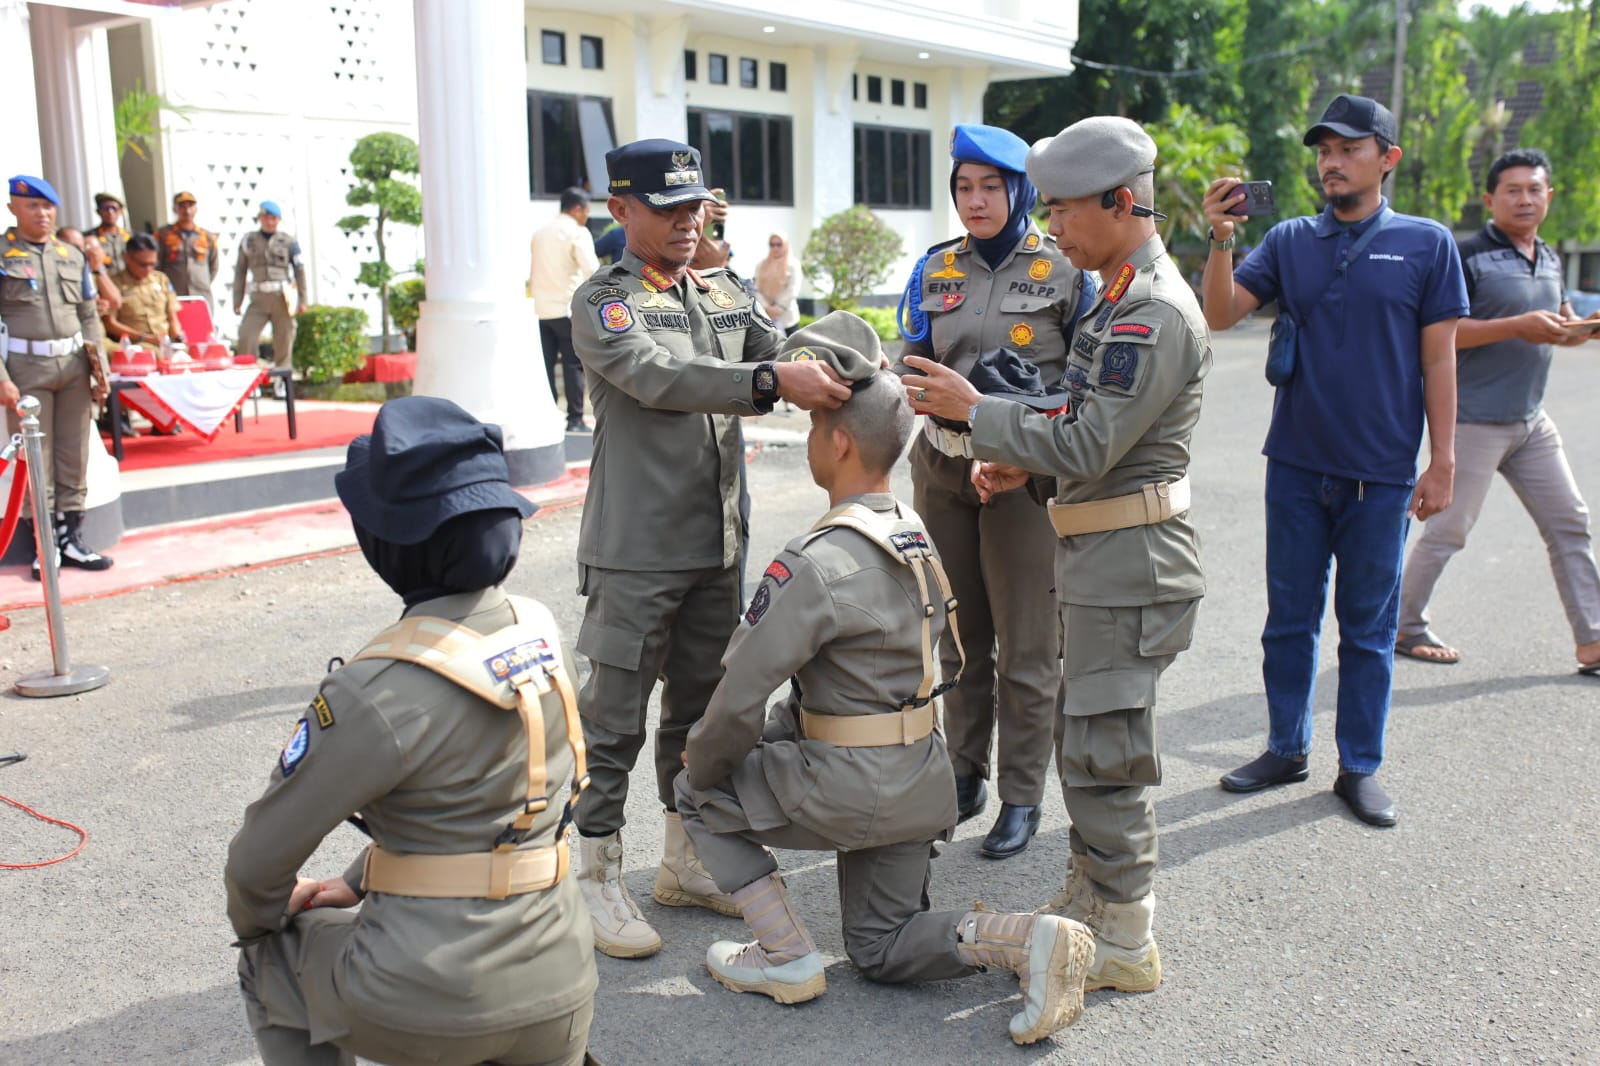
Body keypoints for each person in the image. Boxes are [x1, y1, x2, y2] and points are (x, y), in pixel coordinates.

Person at [675, 312, 1095, 1045]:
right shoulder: (913, 530)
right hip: (919, 779)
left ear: (836, 443)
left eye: (814, 430)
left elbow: (739, 697)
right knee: (882, 945)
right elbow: (954, 662)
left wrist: (709, 761)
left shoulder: (814, 559)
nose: (812, 440)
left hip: (845, 783)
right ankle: (1029, 939)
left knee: (696, 788)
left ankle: (784, 953)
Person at [903, 115, 1211, 996]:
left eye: (1068, 209)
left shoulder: (1150, 310)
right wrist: (1017, 465)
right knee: (1091, 746)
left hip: (1129, 560)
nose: (1056, 226)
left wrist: (976, 412)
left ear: (1122, 203)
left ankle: (1122, 933)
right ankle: (1096, 892)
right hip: (1099, 546)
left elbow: (1084, 442)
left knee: (1107, 755)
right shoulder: (1114, 290)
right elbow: (1074, 426)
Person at [225, 396, 597, 1066]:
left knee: (270, 955)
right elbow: (498, 810)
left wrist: (263, 921)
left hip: (430, 998)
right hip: (562, 981)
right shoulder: (543, 634)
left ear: (388, 544)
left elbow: (257, 865)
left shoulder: (376, 689)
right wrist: (364, 876)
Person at [567, 138, 851, 959]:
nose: (688, 222)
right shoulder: (605, 303)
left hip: (716, 545)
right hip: (635, 550)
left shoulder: (724, 289)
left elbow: (776, 349)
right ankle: (594, 875)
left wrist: (838, 362)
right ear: (621, 212)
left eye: (696, 206)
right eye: (668, 208)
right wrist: (768, 385)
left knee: (698, 711)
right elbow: (661, 377)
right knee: (613, 720)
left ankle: (683, 859)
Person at [1200, 94, 1468, 827]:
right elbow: (1221, 315)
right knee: (1288, 621)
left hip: (1381, 475)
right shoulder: (1289, 239)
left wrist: (1442, 461)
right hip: (1294, 464)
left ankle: (1360, 767)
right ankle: (1286, 746)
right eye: (1323, 150)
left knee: (1369, 631)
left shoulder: (1426, 243)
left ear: (1387, 158)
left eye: (1349, 148)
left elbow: (1440, 357)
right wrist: (1221, 237)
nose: (1331, 161)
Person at [893, 123, 1094, 860]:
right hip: (943, 470)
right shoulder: (933, 269)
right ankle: (965, 771)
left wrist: (1014, 438)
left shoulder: (1064, 271)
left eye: (991, 187)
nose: (975, 202)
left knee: (1029, 646)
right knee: (958, 636)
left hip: (1026, 481)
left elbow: (1084, 387)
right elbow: (911, 358)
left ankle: (1021, 795)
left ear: (1021, 191)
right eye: (963, 187)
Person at [1394, 148, 1600, 677]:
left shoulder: (1549, 256)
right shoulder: (1465, 256)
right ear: (1490, 199)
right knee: (1448, 531)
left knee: (1571, 522)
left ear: (1548, 196)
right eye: (1513, 190)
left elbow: (1551, 324)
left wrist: (1580, 329)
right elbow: (1439, 333)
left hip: (1531, 422)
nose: (1525, 199)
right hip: (1474, 420)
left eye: (1535, 189)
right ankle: (1404, 626)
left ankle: (1594, 641)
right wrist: (1517, 325)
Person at [0, 176, 114, 577]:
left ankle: (72, 539)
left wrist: (100, 368)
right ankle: (44, 544)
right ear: (13, 207)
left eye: (48, 207)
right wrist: (1, 378)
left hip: (72, 366)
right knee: (38, 457)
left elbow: (88, 314)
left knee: (73, 454)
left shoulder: (71, 254)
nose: (42, 213)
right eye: (32, 206)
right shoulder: (2, 253)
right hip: (25, 369)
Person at [530, 187, 599, 433]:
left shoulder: (540, 233)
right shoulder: (577, 232)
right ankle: (575, 419)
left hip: (541, 310)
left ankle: (549, 415)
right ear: (578, 209)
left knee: (546, 365)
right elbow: (592, 271)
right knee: (573, 365)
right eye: (586, 212)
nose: (587, 217)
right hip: (567, 308)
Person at [233, 200, 308, 384]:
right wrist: (238, 299)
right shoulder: (249, 240)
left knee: (284, 339)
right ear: (260, 218)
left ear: (279, 220)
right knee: (246, 336)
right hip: (258, 297)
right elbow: (240, 271)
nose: (269, 221)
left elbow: (299, 270)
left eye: (273, 218)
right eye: (266, 217)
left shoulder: (288, 241)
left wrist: (303, 300)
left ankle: (282, 382)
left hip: (281, 296)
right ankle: (250, 380)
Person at [106, 234, 185, 348]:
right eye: (143, 265)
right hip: (135, 345)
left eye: (152, 264)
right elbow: (110, 324)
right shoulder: (114, 284)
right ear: (127, 258)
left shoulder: (161, 279)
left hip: (165, 341)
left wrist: (177, 336)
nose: (148, 269)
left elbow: (173, 317)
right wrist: (144, 338)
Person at [156, 190, 220, 310]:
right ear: (175, 209)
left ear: (196, 209)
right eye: (182, 206)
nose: (187, 211)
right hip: (174, 294)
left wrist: (200, 281)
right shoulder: (164, 235)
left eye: (191, 206)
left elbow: (213, 266)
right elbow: (157, 264)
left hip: (201, 295)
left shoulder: (207, 237)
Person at [753, 231, 801, 335]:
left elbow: (793, 290)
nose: (775, 248)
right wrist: (766, 308)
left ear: (786, 244)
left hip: (787, 319)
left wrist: (778, 308)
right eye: (772, 244)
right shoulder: (761, 265)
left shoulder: (793, 265)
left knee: (791, 350)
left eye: (779, 244)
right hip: (765, 317)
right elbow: (756, 288)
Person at [87, 192, 130, 273]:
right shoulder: (90, 237)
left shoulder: (130, 236)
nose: (110, 212)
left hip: (127, 283)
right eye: (105, 208)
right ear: (98, 212)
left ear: (120, 211)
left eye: (114, 208)